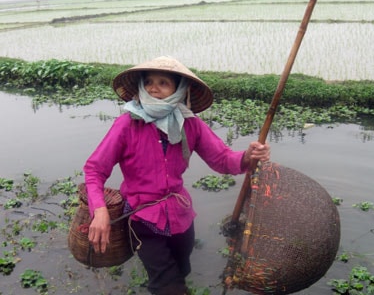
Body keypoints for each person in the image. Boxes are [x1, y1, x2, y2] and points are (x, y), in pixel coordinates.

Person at [84, 56, 271, 295]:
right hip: (141, 218)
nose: (153, 87)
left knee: (181, 271)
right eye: (149, 81)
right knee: (166, 286)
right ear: (141, 86)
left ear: (179, 90)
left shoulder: (190, 124)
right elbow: (94, 170)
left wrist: (249, 156)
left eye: (163, 83)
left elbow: (222, 160)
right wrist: (99, 211)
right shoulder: (127, 125)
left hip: (180, 215)